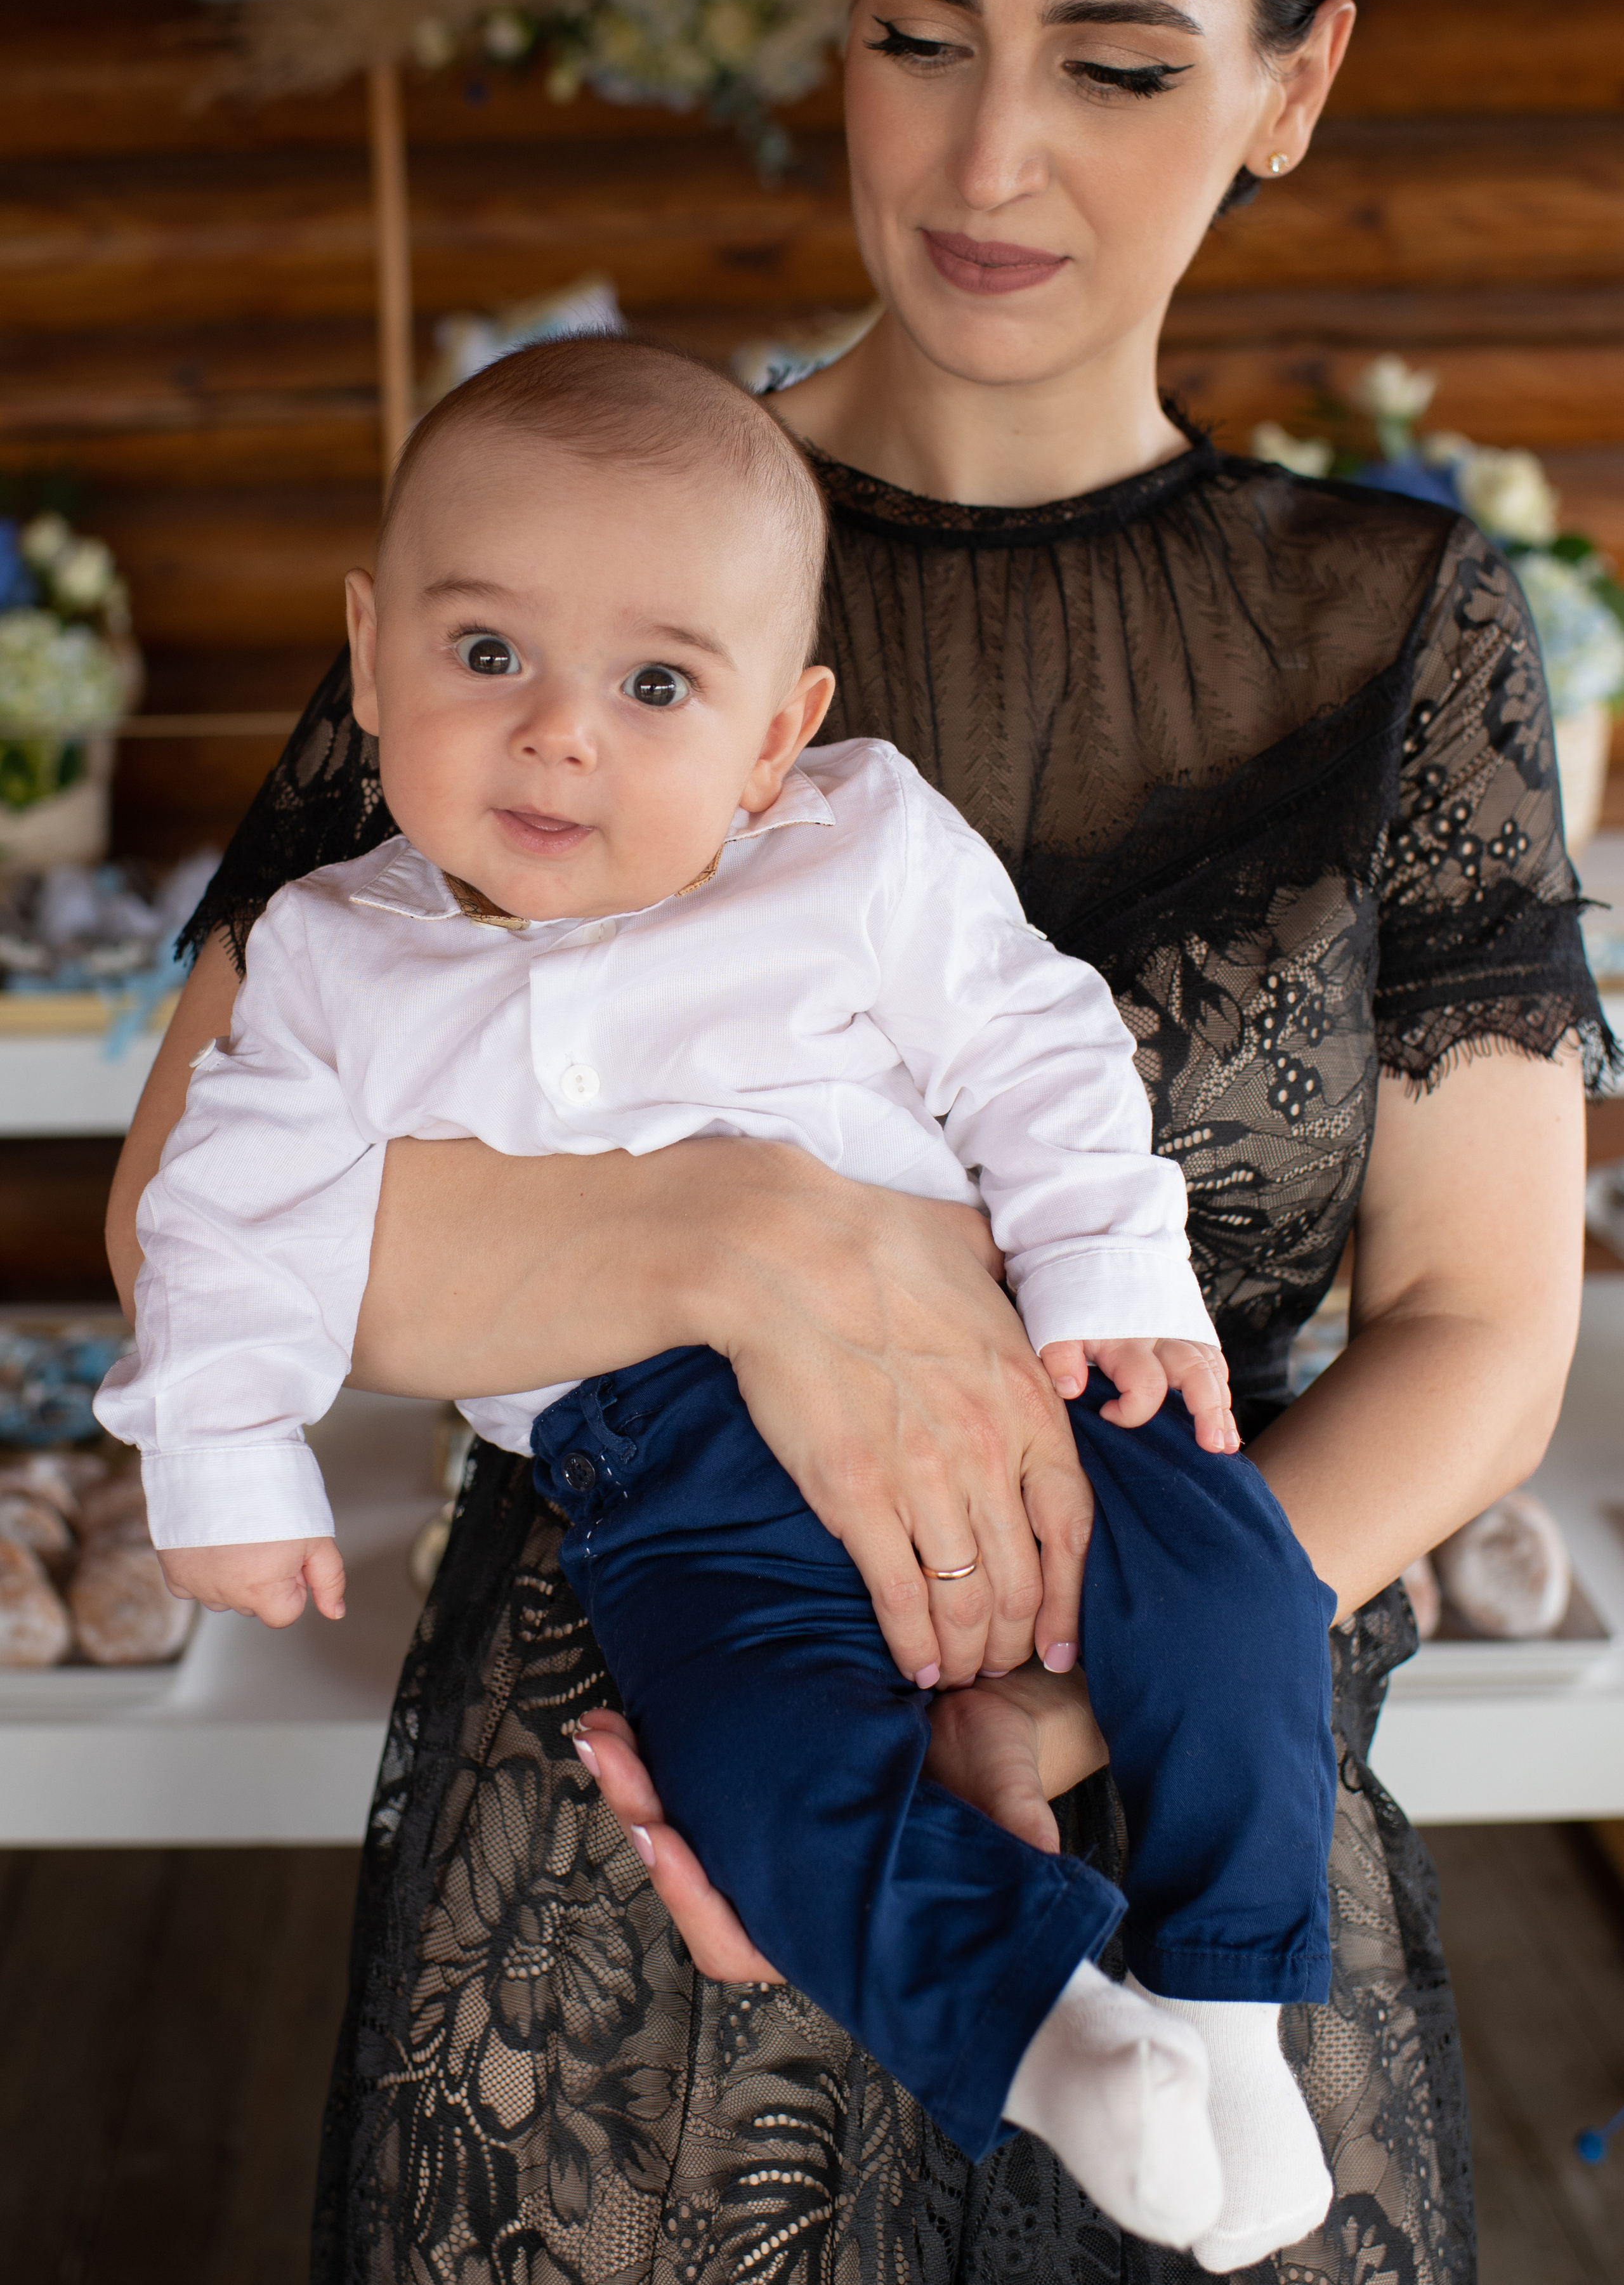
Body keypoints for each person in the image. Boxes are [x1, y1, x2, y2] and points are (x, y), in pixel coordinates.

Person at [106, 0, 1595, 2278]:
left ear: (1295, 85)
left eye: (1118, 66)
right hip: (633, 1840)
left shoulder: (1399, 626)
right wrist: (756, 1241)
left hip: (1187, 1764)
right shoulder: (565, 549)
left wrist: (1043, 1716)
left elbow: (1483, 1332)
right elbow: (186, 1192)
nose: (989, 154)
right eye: (919, 38)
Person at [103, 334, 1341, 2270]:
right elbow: (217, 1218)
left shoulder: (857, 850)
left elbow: (1041, 1050)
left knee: (1238, 1586)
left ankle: (1227, 2006)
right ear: (366, 655)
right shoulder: (334, 964)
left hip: (1011, 1373)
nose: (558, 736)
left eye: (657, 684)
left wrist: (1110, 1271)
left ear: (778, 732)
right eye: (486, 654)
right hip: (659, 1474)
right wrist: (223, 1450)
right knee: (757, 1785)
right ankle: (1051, 2037)